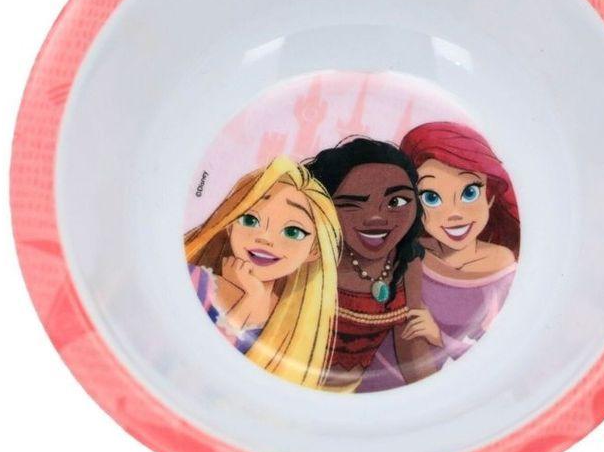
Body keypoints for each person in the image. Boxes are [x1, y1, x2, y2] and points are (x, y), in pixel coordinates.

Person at [359, 122, 519, 391]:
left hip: (442, 388)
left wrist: (440, 337)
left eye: (469, 193)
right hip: (371, 376)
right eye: (431, 198)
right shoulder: (409, 251)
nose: (454, 214)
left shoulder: (501, 267)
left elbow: (500, 350)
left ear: (490, 195)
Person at [184, 156, 342, 389]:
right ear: (230, 223)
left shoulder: (294, 320)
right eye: (250, 220)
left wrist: (255, 295)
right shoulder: (193, 281)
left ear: (315, 250)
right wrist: (250, 300)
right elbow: (193, 367)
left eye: (293, 232)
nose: (265, 239)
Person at [306, 138, 442, 392]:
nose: (376, 217)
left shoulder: (407, 260)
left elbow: (410, 342)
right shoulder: (311, 258)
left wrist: (435, 398)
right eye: (351, 205)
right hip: (292, 391)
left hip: (357, 397)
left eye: (397, 202)